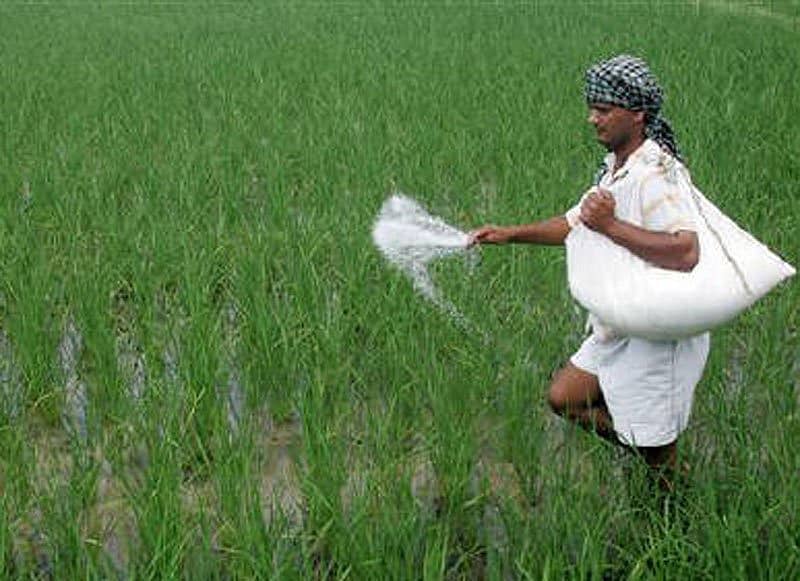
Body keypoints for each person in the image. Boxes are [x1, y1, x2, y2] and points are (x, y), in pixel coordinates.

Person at [470, 55, 710, 489]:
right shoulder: (616, 167)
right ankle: (659, 461)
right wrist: (509, 234)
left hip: (657, 326)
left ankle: (677, 501)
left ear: (636, 114)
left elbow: (687, 251)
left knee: (656, 443)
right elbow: (576, 223)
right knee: (565, 398)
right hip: (622, 316)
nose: (591, 119)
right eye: (592, 107)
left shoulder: (656, 174)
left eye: (603, 110)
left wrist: (611, 226)